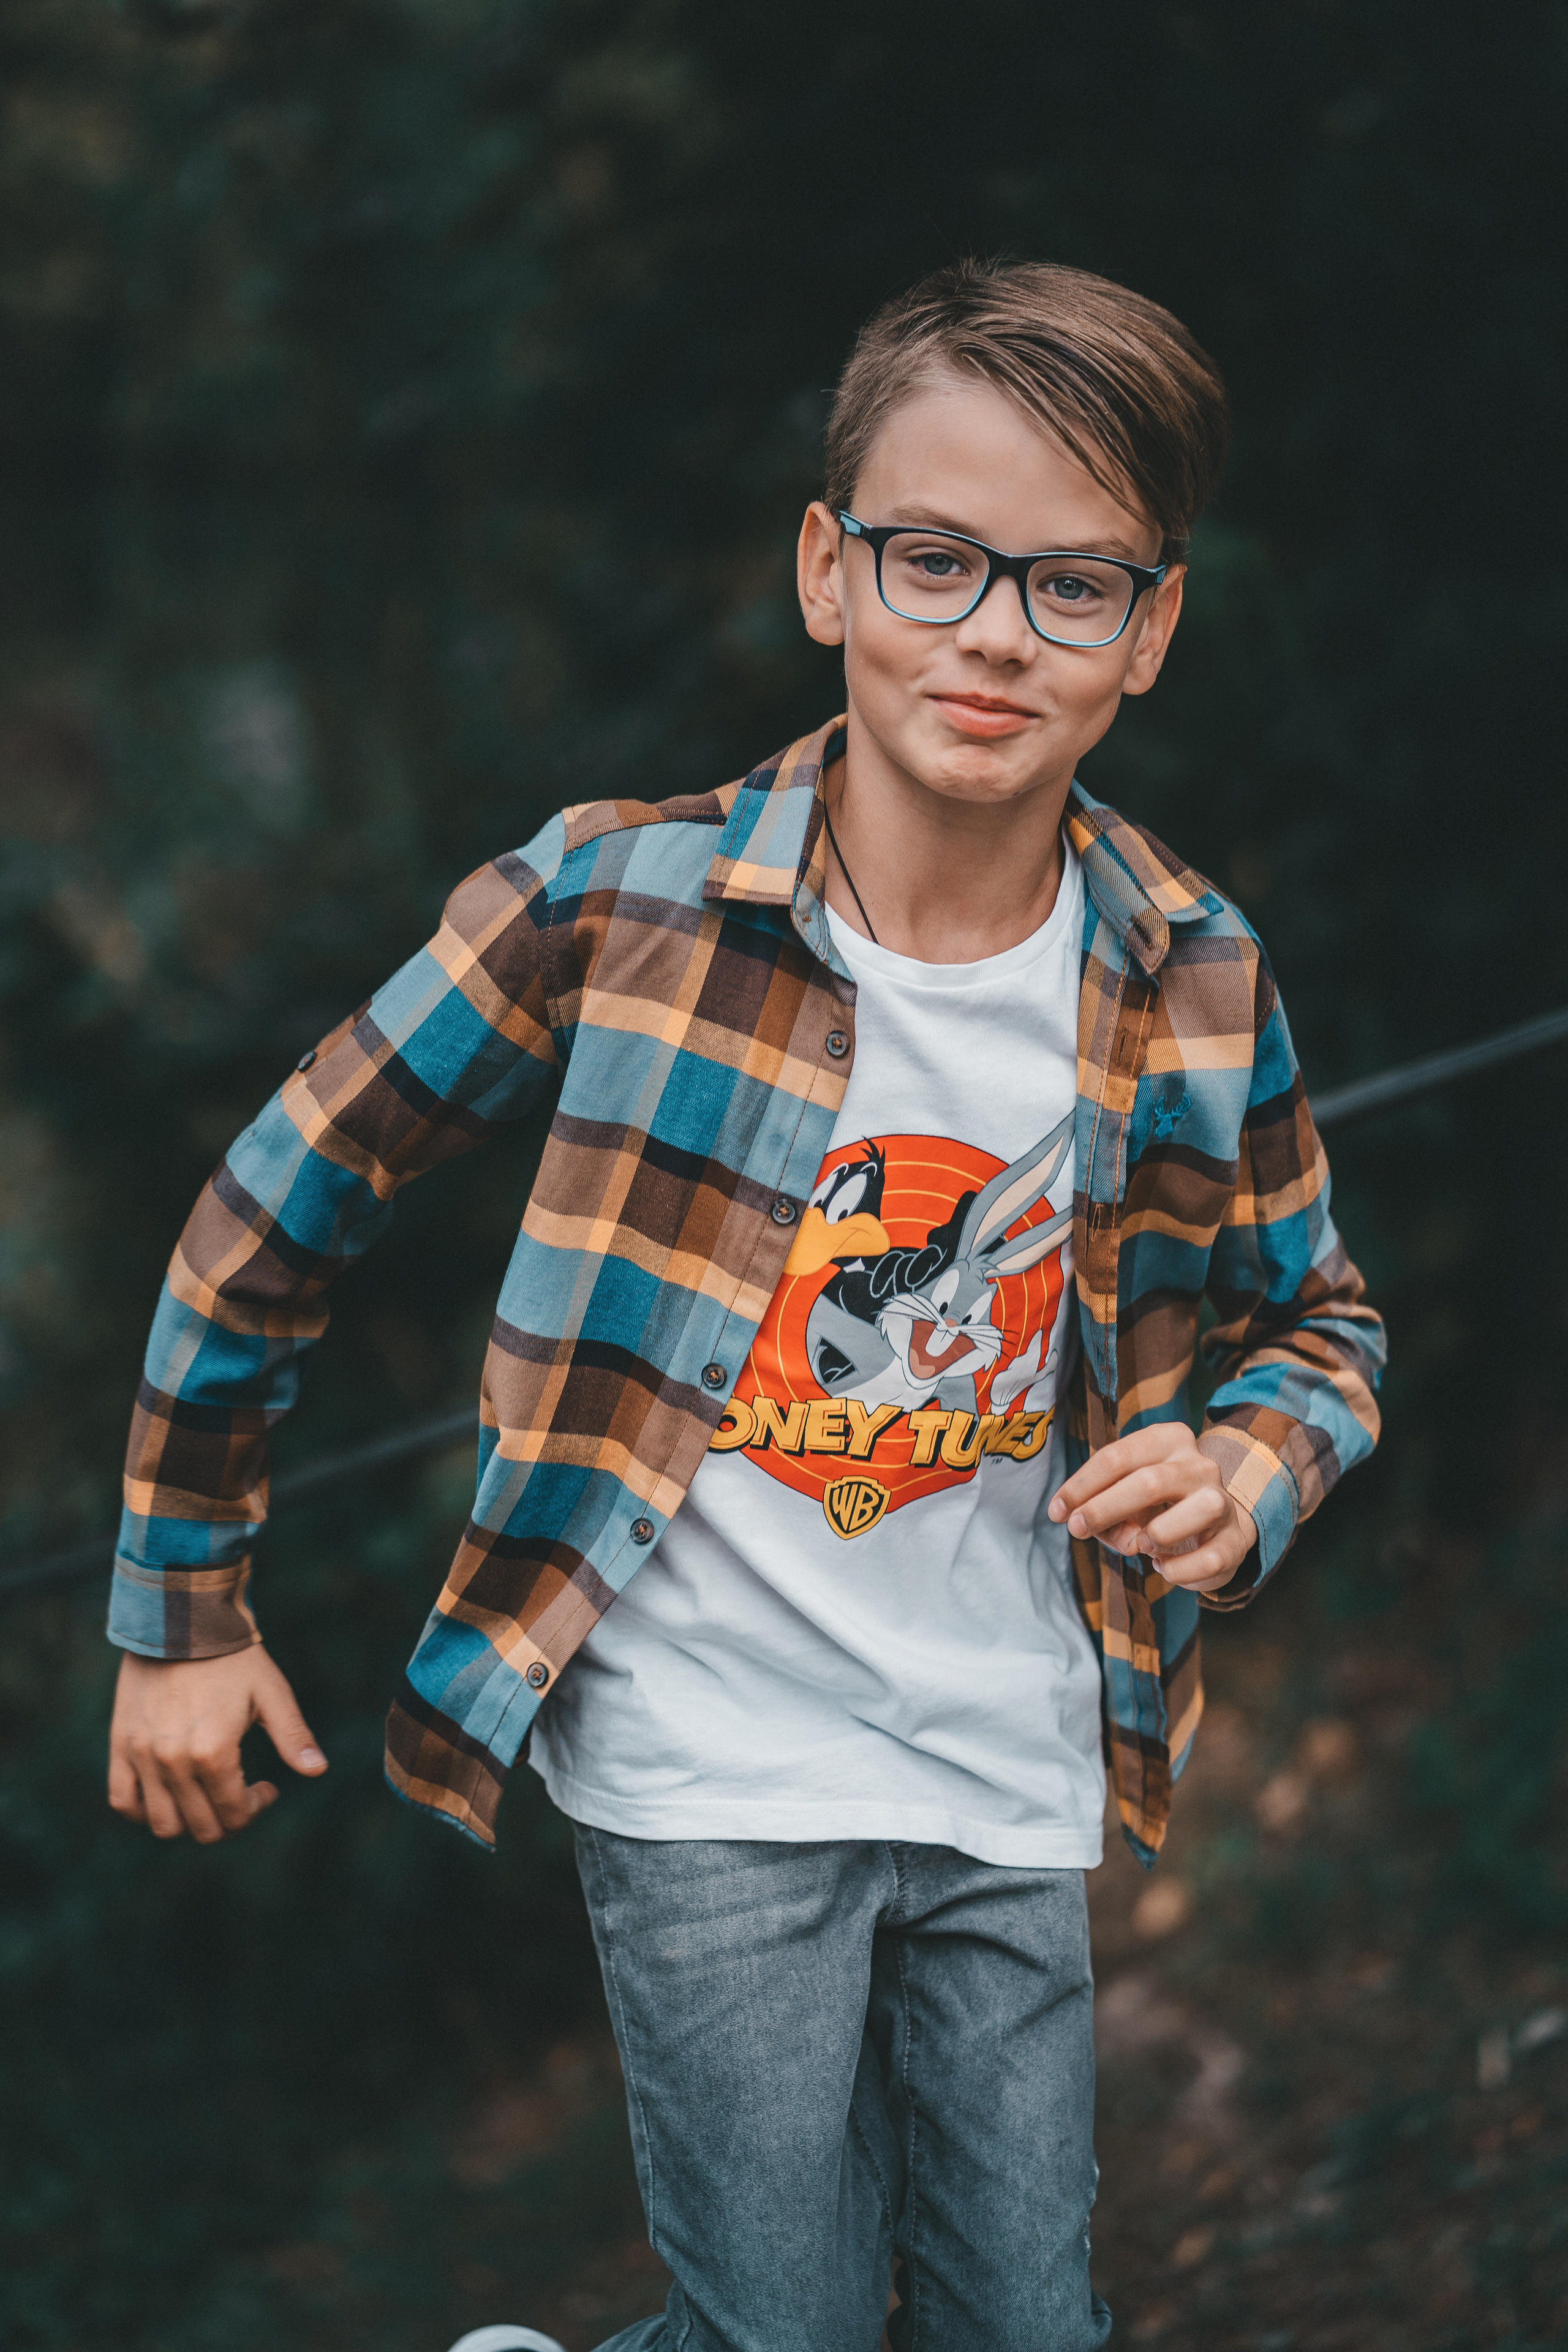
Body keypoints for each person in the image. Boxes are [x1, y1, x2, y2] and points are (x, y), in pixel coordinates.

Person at [106, 260, 1386, 2352]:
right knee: (783, 2329)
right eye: (936, 558)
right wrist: (185, 1611)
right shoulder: (616, 906)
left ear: (1150, 631)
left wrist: (1252, 1461)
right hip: (707, 1762)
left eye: (1070, 585)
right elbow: (274, 1208)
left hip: (1007, 1759)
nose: (992, 630)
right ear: (828, 570)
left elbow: (1324, 1321)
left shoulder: (1191, 970)